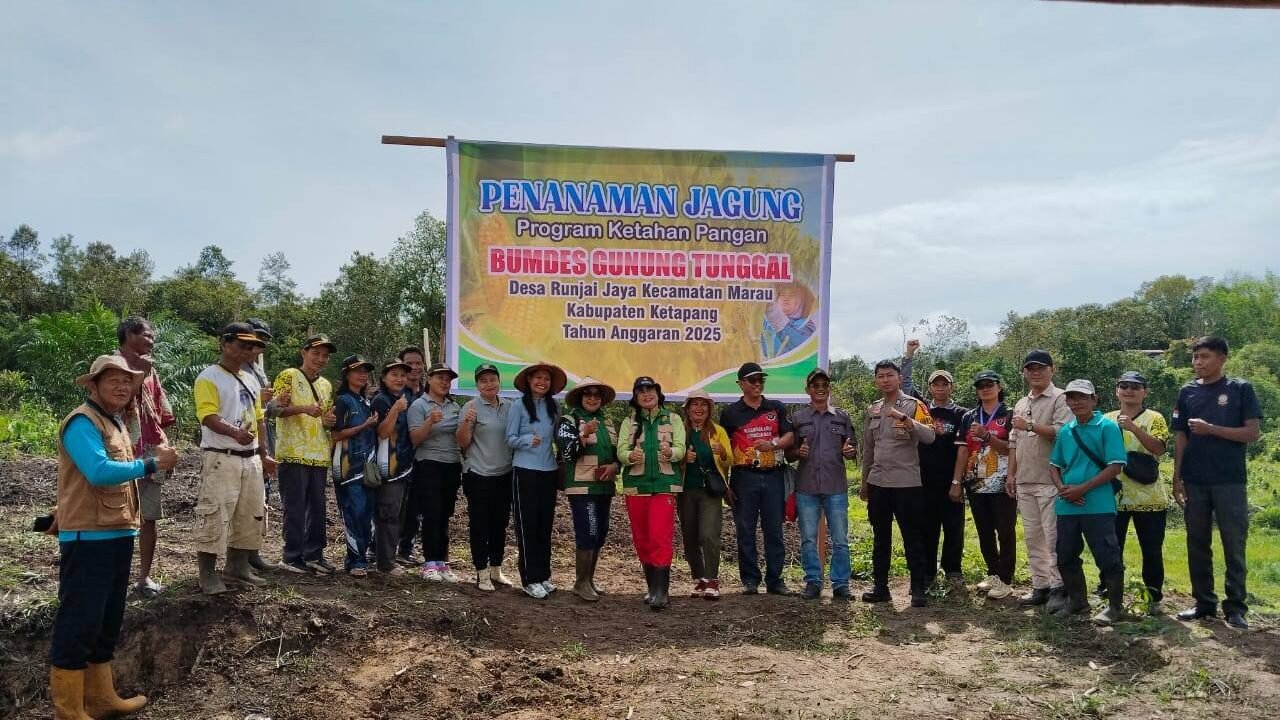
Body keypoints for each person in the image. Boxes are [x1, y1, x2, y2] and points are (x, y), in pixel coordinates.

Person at [48, 354, 177, 719]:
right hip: (88, 538)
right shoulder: (82, 422)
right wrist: (151, 463)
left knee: (106, 620)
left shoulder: (114, 421)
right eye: (112, 380)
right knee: (80, 621)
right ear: (93, 385)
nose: (121, 387)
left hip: (116, 531)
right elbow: (98, 471)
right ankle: (69, 710)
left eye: (126, 381)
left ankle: (101, 699)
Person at [1172, 337, 1262, 630]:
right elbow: (1181, 436)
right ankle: (1203, 603)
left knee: (1233, 544)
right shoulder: (1187, 391)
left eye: (1205, 356)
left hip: (1229, 481)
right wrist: (1177, 476)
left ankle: (1235, 607)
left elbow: (1252, 433)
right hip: (1194, 480)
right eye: (1195, 357)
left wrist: (1211, 429)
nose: (1198, 362)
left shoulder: (1240, 389)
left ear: (1222, 358)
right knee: (1197, 543)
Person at [193, 323, 277, 594]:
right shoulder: (209, 377)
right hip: (222, 456)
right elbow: (208, 416)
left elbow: (259, 419)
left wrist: (264, 453)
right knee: (215, 513)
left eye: (251, 346)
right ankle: (207, 573)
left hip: (250, 457)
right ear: (224, 344)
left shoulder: (251, 380)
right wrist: (234, 433)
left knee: (250, 512)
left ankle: (238, 565)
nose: (247, 351)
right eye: (242, 345)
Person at [1048, 379, 1127, 624]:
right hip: (1067, 506)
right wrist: (1062, 489)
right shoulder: (1066, 430)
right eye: (1071, 398)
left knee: (1107, 556)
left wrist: (1081, 489)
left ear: (1094, 399)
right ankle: (1077, 602)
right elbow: (1054, 465)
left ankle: (1115, 608)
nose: (1076, 402)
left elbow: (1115, 467)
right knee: (1066, 555)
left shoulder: (1107, 427)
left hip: (1098, 505)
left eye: (1082, 397)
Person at [861, 359, 936, 606]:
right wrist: (865, 482)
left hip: (906, 484)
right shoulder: (873, 409)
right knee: (880, 537)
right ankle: (880, 587)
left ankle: (918, 589)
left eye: (889, 375)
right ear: (876, 380)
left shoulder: (914, 405)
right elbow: (868, 449)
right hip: (878, 482)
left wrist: (906, 420)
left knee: (912, 537)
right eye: (880, 376)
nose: (885, 380)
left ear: (899, 378)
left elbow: (930, 436)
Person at [114, 316, 176, 599]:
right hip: (120, 450)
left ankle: (143, 578)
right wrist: (137, 374)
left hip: (150, 451)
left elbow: (160, 413)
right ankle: (115, 578)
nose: (152, 341)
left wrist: (165, 448)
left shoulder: (151, 371)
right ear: (129, 334)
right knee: (117, 516)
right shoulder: (111, 365)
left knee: (148, 517)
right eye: (147, 335)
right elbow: (112, 405)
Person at [722, 362, 795, 595]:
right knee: (745, 530)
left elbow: (790, 435)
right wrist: (725, 485)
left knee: (774, 530)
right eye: (752, 380)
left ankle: (775, 580)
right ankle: (750, 579)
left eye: (760, 380)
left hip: (773, 476)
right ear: (740, 384)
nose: (757, 384)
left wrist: (772, 444)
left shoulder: (775, 407)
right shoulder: (730, 413)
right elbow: (723, 448)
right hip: (744, 478)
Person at [1008, 350, 1073, 611]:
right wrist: (1011, 474)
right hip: (1025, 479)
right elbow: (1014, 441)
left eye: (1041, 368)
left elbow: (1063, 433)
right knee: (1033, 537)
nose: (1035, 373)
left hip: (1050, 480)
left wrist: (1030, 425)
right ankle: (1041, 585)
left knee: (1052, 536)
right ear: (1024, 373)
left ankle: (1059, 587)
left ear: (1052, 370)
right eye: (1030, 369)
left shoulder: (1061, 398)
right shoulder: (1021, 403)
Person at [1101, 371, 1170, 614]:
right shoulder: (1105, 419)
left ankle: (1153, 598)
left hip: (1149, 497)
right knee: (1111, 548)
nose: (1129, 390)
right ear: (1117, 391)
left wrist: (1132, 427)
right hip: (1113, 496)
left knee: (1151, 550)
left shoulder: (1155, 418)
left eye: (1135, 386)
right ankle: (1109, 594)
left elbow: (1159, 448)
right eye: (1124, 386)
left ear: (1145, 392)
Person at [618, 376, 686, 610]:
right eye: (641, 391)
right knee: (642, 539)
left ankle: (662, 592)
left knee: (659, 537)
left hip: (664, 486)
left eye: (650, 390)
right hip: (636, 487)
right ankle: (652, 588)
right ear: (635, 397)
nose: (646, 394)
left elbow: (681, 448)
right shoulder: (629, 422)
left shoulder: (673, 419)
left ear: (658, 393)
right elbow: (621, 451)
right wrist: (630, 456)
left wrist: (671, 452)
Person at [788, 368, 857, 601]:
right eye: (815, 385)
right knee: (808, 538)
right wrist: (798, 452)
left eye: (824, 385)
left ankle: (841, 584)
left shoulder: (842, 417)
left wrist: (849, 451)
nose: (820, 389)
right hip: (806, 487)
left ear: (829, 389)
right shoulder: (798, 418)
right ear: (807, 390)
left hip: (835, 487)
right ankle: (813, 581)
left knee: (840, 539)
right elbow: (789, 454)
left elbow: (851, 449)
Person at [273, 334, 337, 575]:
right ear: (304, 353)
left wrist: (329, 421)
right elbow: (275, 410)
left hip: (318, 453)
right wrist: (303, 408)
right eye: (315, 353)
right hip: (293, 452)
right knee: (295, 507)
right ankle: (292, 556)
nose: (320, 359)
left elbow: (325, 418)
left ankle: (314, 554)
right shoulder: (288, 375)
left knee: (318, 508)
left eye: (325, 356)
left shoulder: (326, 385)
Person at [952, 371, 1016, 600]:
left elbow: (1012, 449)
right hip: (976, 484)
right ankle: (993, 574)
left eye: (990, 384)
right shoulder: (969, 416)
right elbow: (962, 450)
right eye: (981, 386)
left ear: (999, 387)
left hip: (1003, 483)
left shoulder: (1010, 414)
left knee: (1005, 532)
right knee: (984, 532)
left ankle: (1006, 579)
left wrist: (987, 436)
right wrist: (956, 481)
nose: (985, 389)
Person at [555, 377, 619, 602]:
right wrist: (583, 434)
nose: (592, 398)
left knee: (600, 532)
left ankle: (589, 579)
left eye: (596, 395)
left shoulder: (607, 422)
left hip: (604, 486)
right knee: (588, 532)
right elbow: (568, 452)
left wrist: (615, 466)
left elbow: (618, 453)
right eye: (587, 394)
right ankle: (580, 582)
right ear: (579, 398)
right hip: (581, 487)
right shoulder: (568, 421)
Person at [506, 361, 566, 599]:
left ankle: (543, 576)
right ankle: (530, 579)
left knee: (544, 525)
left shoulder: (554, 406)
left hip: (548, 471)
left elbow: (561, 437)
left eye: (546, 379)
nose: (542, 382)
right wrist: (526, 440)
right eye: (538, 378)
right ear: (529, 381)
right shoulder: (518, 405)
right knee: (527, 525)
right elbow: (509, 439)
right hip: (524, 471)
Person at [456, 364, 516, 591]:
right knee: (480, 524)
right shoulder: (471, 407)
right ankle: (481, 572)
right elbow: (461, 442)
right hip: (478, 475)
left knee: (500, 524)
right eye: (483, 381)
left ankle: (496, 570)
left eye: (492, 379)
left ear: (499, 382)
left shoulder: (510, 406)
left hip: (504, 474)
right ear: (477, 385)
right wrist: (467, 422)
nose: (489, 384)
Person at [407, 363, 464, 582]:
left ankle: (442, 562)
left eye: (448, 379)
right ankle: (429, 562)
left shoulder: (455, 407)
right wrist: (430, 421)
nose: (444, 382)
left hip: (452, 464)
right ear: (429, 379)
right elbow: (415, 439)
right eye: (440, 377)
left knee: (445, 514)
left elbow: (460, 436)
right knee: (432, 513)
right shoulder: (419, 405)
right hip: (428, 464)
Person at [916, 368, 969, 586]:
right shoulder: (922, 411)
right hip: (925, 479)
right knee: (927, 527)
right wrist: (908, 356)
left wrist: (957, 481)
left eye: (944, 384)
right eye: (935, 384)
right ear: (930, 388)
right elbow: (906, 385)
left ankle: (953, 569)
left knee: (954, 527)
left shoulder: (962, 414)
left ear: (951, 387)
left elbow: (964, 449)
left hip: (951, 478)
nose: (940, 388)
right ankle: (928, 571)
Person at [679, 389, 732, 600]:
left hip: (710, 490)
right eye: (695, 404)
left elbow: (730, 461)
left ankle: (712, 579)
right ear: (688, 408)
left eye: (703, 405)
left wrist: (723, 453)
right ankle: (700, 578)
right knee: (689, 535)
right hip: (685, 490)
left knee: (709, 534)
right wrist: (684, 458)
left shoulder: (717, 431)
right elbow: (671, 456)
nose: (699, 409)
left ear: (709, 409)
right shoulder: (680, 431)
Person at [330, 356, 380, 577]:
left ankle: (362, 558)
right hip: (347, 467)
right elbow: (336, 435)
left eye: (365, 371)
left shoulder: (366, 401)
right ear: (346, 374)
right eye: (357, 371)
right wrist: (365, 425)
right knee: (354, 513)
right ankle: (355, 561)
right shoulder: (343, 401)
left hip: (367, 468)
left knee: (367, 514)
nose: (362, 375)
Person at [242, 318, 283, 572]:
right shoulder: (235, 368)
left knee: (260, 496)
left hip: (262, 435)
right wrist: (260, 398)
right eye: (256, 339)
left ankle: (253, 550)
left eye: (263, 341)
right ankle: (240, 556)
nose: (258, 346)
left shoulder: (258, 370)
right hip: (241, 437)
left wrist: (276, 401)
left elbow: (268, 410)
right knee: (242, 500)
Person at [370, 359, 416, 576]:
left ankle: (389, 558)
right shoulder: (381, 400)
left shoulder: (405, 398)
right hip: (387, 466)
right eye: (394, 375)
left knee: (398, 514)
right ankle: (385, 563)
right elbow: (382, 432)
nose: (399, 379)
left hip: (404, 466)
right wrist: (396, 409)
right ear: (384, 377)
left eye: (403, 375)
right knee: (387, 514)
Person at [394, 345, 428, 564]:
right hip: (397, 458)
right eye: (409, 364)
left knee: (416, 506)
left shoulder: (428, 394)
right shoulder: (395, 394)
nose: (414, 367)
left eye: (418, 363)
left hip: (422, 459)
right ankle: (379, 549)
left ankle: (406, 549)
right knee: (392, 506)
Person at [759, 283, 817, 360]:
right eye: (783, 295)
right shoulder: (763, 322)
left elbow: (803, 346)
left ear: (798, 300)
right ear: (777, 299)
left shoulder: (806, 325)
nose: (786, 299)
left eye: (791, 295)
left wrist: (773, 313)